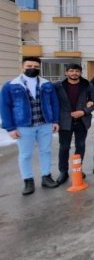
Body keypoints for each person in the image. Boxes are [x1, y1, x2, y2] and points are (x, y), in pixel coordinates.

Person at [1, 56, 60, 195]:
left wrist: (55, 121)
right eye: (29, 66)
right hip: (24, 126)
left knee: (46, 151)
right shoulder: (11, 85)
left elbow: (54, 103)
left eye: (35, 67)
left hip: (45, 123)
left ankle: (46, 176)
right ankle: (28, 181)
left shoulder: (47, 84)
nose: (32, 69)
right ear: (22, 67)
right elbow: (5, 107)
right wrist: (10, 128)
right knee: (25, 154)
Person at [54, 63, 94, 184]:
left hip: (82, 121)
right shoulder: (58, 86)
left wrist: (84, 111)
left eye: (77, 71)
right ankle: (63, 171)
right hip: (65, 121)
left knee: (80, 145)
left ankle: (78, 169)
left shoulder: (87, 85)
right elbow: (52, 101)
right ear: (66, 72)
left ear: (80, 73)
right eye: (71, 71)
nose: (74, 73)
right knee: (64, 147)